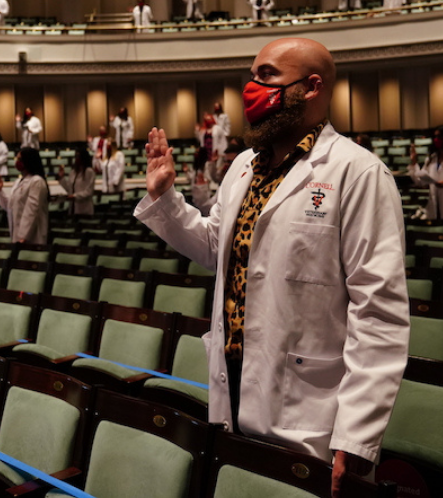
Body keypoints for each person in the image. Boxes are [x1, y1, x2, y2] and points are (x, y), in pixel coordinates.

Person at [134, 38, 407, 497]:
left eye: (267, 76)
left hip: (309, 410)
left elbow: (378, 312)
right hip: (234, 387)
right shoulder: (244, 166)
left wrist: (356, 436)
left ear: (312, 86)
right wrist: (166, 198)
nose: (251, 88)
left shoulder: (357, 172)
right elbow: (214, 246)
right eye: (252, 75)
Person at [0, 147, 49, 244]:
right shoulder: (19, 181)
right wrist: (0, 191)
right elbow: (11, 206)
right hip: (18, 234)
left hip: (31, 236)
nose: (17, 162)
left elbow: (32, 210)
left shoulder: (37, 181)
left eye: (20, 159)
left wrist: (23, 236)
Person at [58, 148, 97, 216]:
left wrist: (74, 196)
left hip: (84, 209)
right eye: (76, 156)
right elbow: (68, 189)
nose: (76, 159)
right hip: (73, 208)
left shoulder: (89, 171)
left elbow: (89, 191)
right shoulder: (73, 172)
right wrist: (62, 177)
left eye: (78, 156)